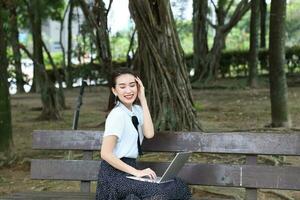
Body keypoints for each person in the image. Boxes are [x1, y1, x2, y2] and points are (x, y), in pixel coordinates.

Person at [95, 67, 191, 200]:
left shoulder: (137, 110)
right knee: (159, 192)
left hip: (130, 173)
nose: (128, 90)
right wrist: (136, 172)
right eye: (122, 87)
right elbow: (105, 154)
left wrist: (143, 99)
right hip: (113, 177)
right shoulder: (117, 115)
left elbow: (149, 133)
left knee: (178, 185)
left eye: (132, 85)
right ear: (114, 91)